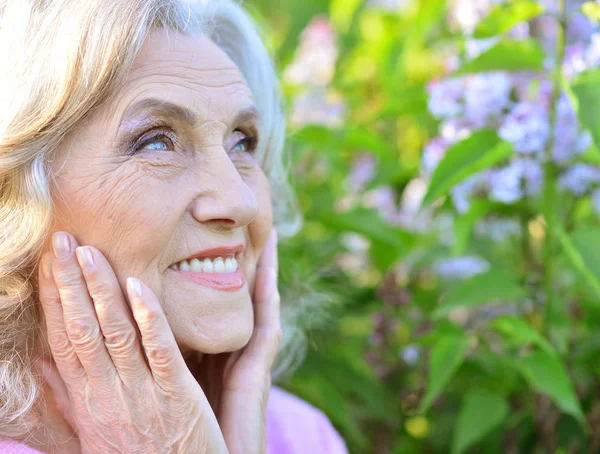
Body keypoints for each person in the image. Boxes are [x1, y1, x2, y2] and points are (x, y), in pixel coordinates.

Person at [0, 0, 348, 452]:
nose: (239, 202)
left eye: (242, 143)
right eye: (156, 142)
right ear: (15, 194)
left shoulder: (299, 437)